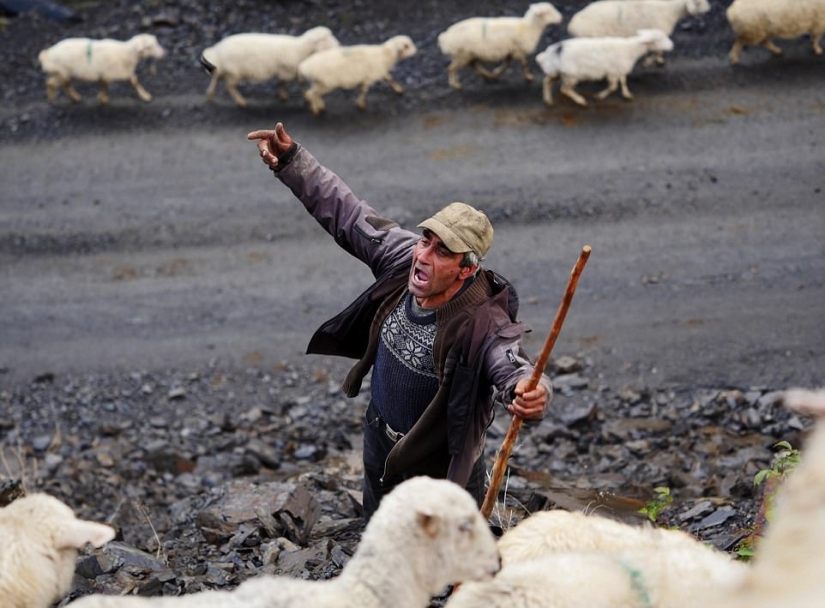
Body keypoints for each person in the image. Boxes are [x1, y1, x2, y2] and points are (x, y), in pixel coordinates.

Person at [248, 123, 552, 521]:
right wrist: (292, 161)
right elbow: (348, 212)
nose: (423, 255)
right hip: (380, 436)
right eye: (426, 239)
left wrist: (532, 392)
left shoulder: (481, 324)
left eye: (443, 251)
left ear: (466, 269)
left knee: (441, 565)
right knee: (378, 532)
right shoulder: (403, 257)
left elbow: (513, 365)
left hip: (440, 468)